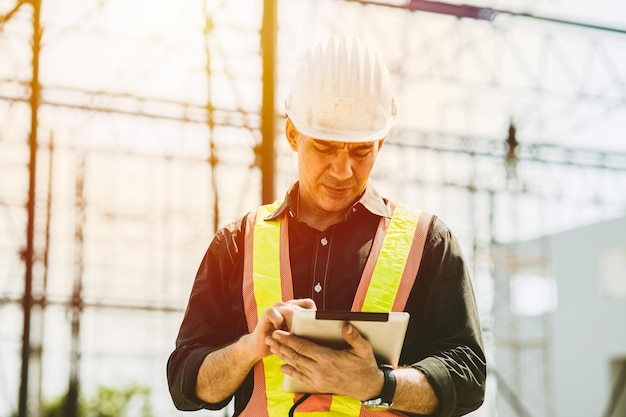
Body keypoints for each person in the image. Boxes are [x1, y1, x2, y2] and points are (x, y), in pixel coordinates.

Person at [167, 36, 486, 417]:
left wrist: (380, 384)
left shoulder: (428, 243)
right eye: (324, 147)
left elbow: (469, 378)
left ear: (380, 143)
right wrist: (249, 348)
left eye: (361, 150)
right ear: (292, 135)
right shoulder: (238, 244)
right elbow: (185, 385)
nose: (342, 169)